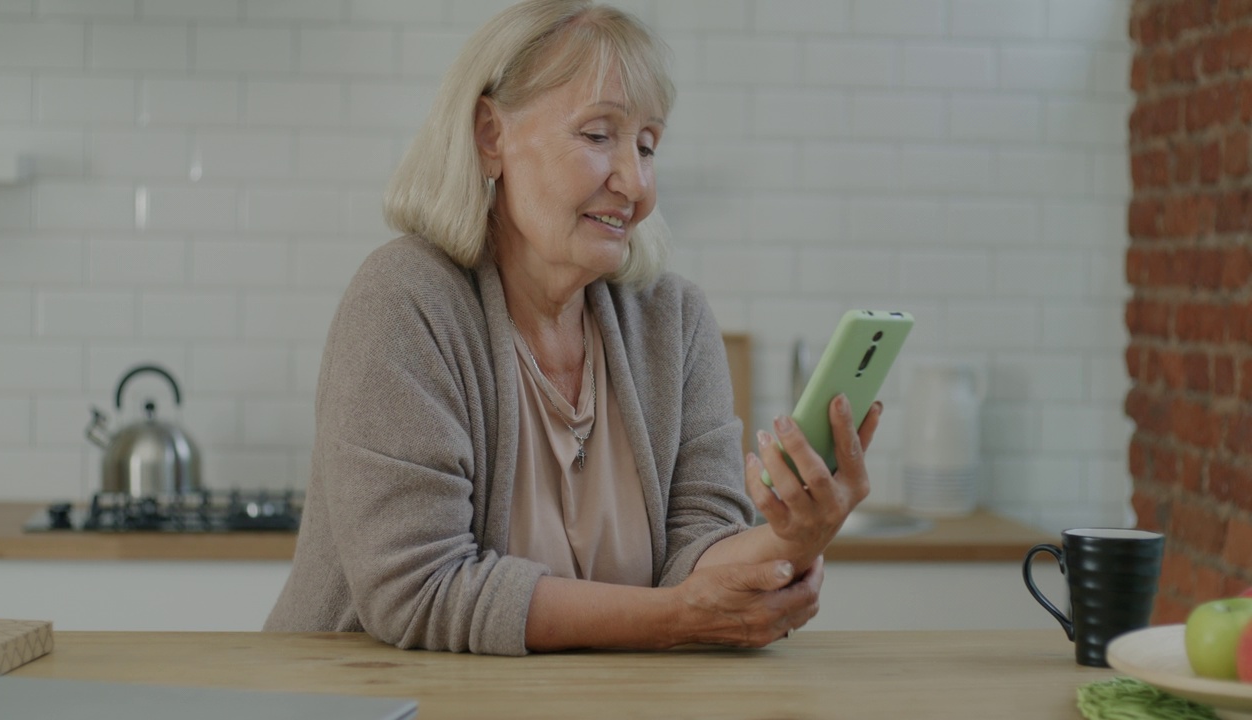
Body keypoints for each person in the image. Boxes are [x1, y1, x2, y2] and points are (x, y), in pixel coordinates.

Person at [264, 0, 881, 656]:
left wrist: (795, 536)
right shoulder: (406, 302)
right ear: (489, 135)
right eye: (598, 136)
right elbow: (421, 589)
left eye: (647, 145)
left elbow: (698, 562)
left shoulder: (675, 322)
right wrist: (672, 618)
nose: (636, 184)